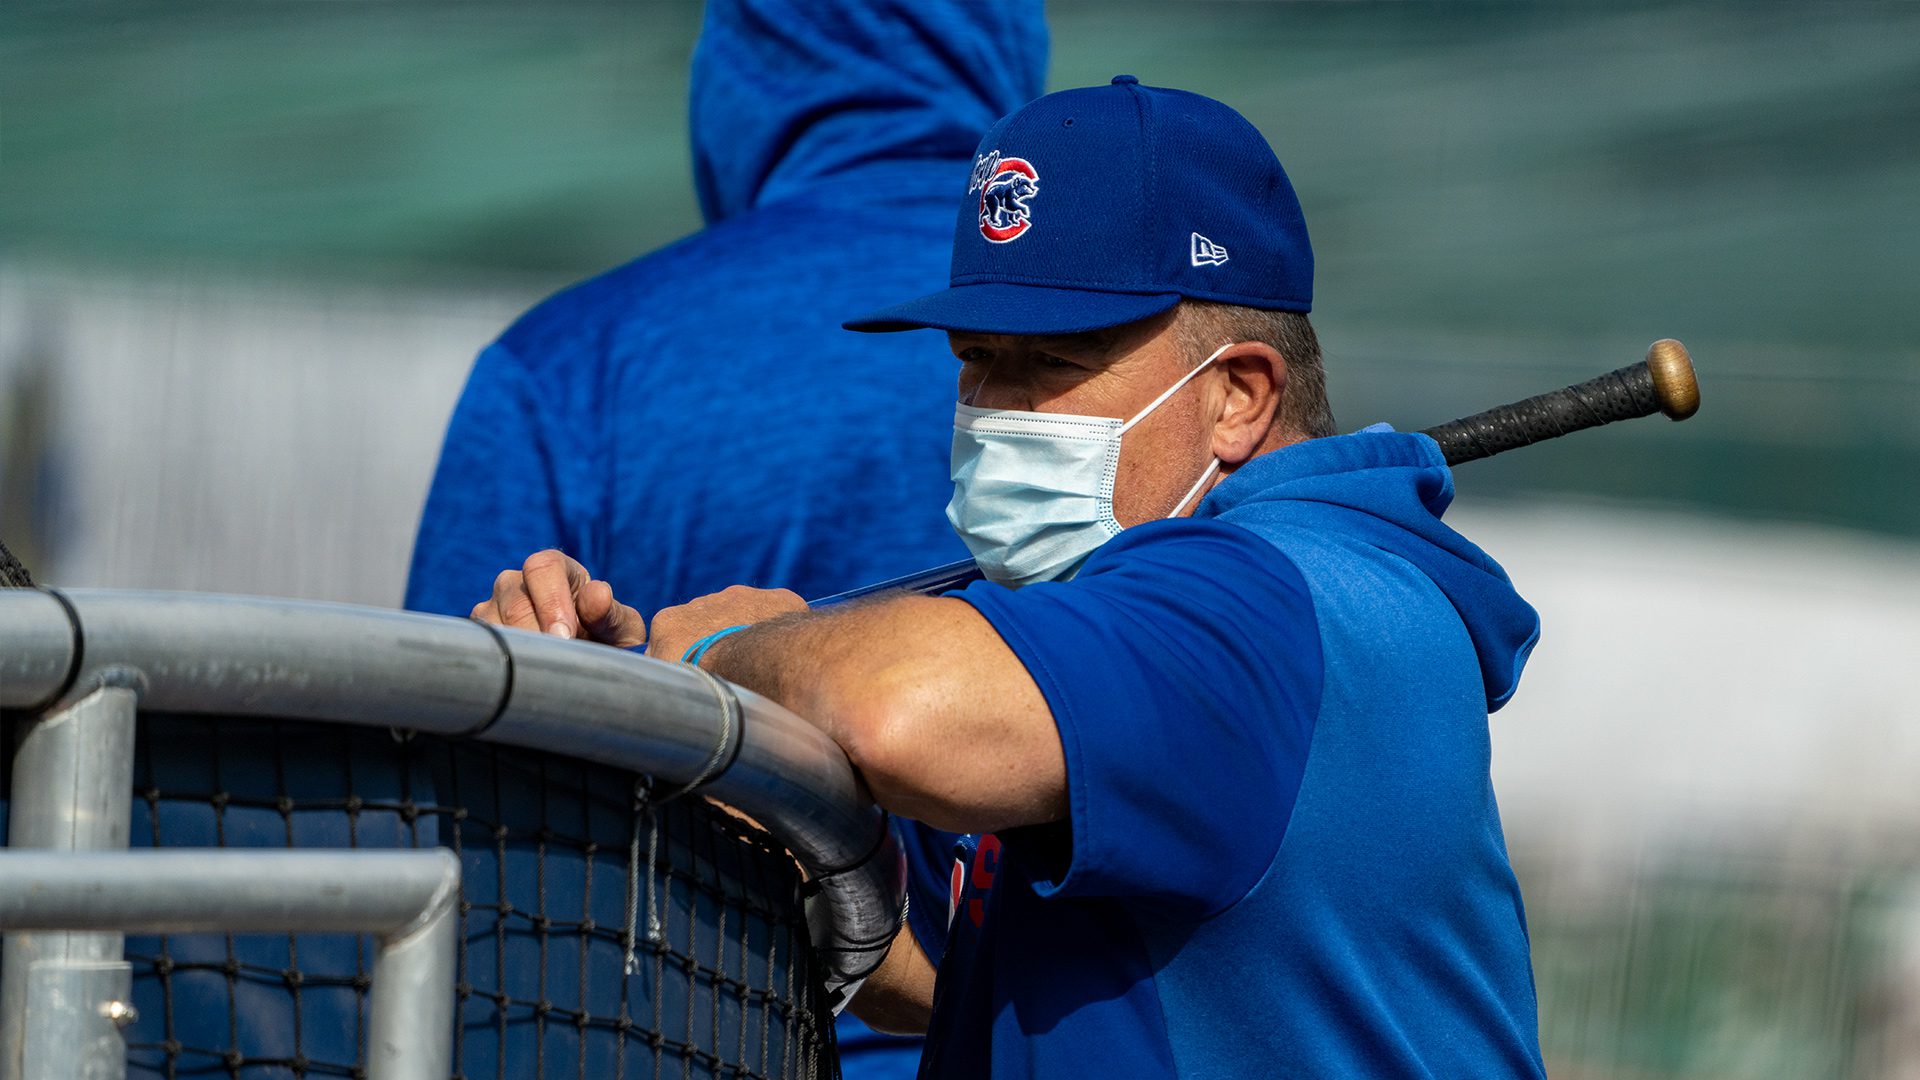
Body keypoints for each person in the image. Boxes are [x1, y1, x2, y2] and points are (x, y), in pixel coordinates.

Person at [477, 79, 1548, 1078]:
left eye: (1051, 364)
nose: (995, 408)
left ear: (1238, 398)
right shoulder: (1207, 615)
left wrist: (724, 656)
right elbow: (944, 978)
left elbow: (897, 709)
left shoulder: (1267, 595)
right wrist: (651, 720)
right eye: (977, 359)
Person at [406, 1, 1046, 1074]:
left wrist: (610, 718)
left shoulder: (568, 365)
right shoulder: (1128, 362)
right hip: (1061, 1040)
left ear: (735, 74)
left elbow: (432, 824)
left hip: (698, 1042)